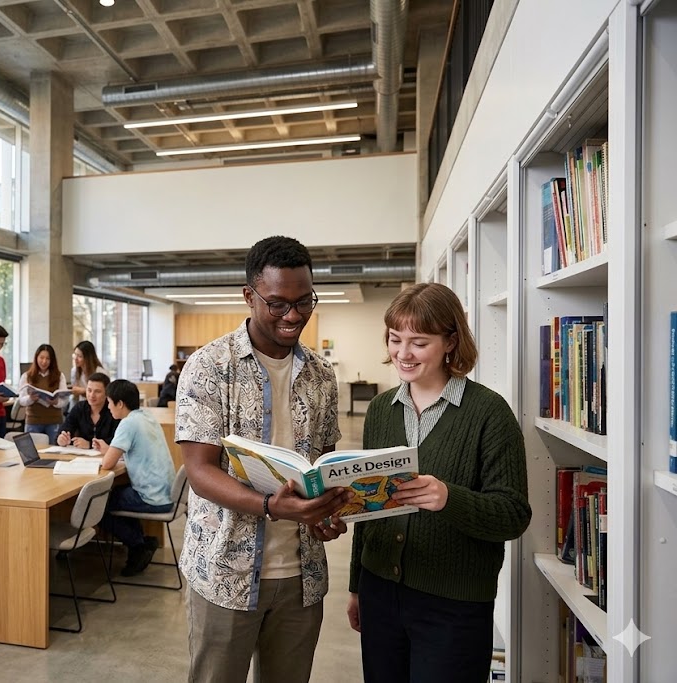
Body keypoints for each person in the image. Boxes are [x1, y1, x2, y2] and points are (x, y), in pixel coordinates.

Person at [175, 235, 351, 683]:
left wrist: (325, 511)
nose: (293, 316)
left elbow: (322, 467)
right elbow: (199, 472)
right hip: (225, 572)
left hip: (301, 576)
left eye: (303, 301)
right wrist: (273, 507)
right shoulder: (209, 366)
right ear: (249, 296)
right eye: (277, 304)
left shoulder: (321, 375)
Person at [346, 282, 531, 683]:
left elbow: (513, 516)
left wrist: (449, 498)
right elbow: (368, 508)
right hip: (380, 593)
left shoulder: (489, 413)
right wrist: (357, 585)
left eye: (419, 342)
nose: (403, 354)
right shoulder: (380, 410)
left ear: (450, 342)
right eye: (395, 340)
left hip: (454, 605)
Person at [93, 379, 177, 576]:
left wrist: (107, 454)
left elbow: (107, 464)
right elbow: (133, 449)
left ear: (120, 404)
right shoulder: (145, 417)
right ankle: (142, 541)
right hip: (167, 493)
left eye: (110, 402)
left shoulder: (127, 423)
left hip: (153, 497)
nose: (108, 407)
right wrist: (109, 449)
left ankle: (137, 546)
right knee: (115, 497)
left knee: (99, 506)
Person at [17, 343, 68, 441]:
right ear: (36, 358)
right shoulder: (27, 376)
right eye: (41, 358)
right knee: (32, 451)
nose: (44, 362)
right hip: (33, 421)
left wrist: (56, 402)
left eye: (48, 359)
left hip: (54, 420)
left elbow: (65, 400)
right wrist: (30, 399)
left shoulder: (59, 376)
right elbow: (21, 400)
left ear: (52, 360)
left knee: (54, 452)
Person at [57, 372, 118, 448]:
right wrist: (61, 439)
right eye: (89, 390)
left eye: (97, 391)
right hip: (81, 456)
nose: (92, 395)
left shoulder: (113, 410)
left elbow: (117, 440)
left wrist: (90, 444)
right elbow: (65, 428)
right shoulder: (79, 408)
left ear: (106, 393)